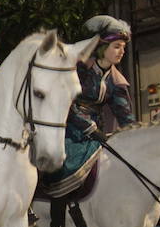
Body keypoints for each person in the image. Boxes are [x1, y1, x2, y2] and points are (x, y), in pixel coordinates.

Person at [42, 15, 136, 198]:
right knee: (61, 163)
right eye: (116, 46)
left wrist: (136, 134)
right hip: (67, 129)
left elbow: (125, 115)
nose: (122, 51)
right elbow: (67, 104)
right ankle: (55, 215)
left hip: (96, 134)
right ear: (102, 47)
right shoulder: (78, 70)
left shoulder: (116, 82)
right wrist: (91, 129)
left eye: (123, 48)